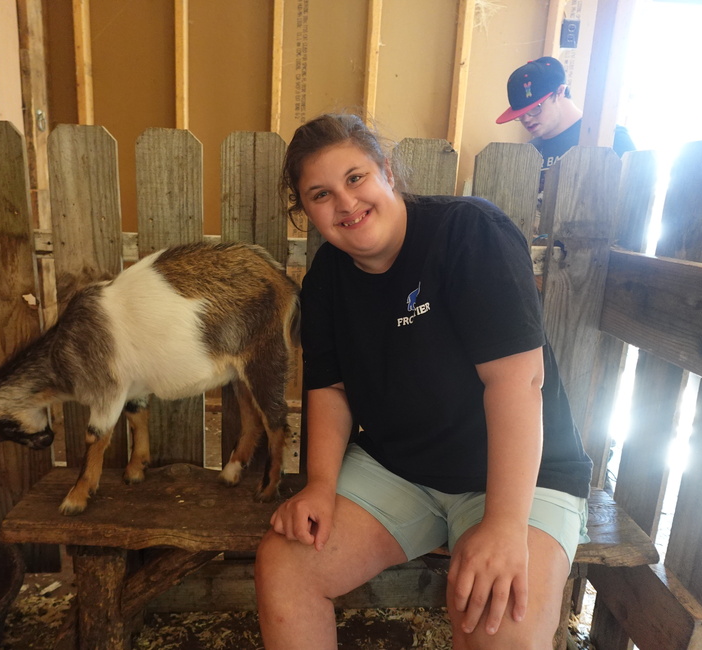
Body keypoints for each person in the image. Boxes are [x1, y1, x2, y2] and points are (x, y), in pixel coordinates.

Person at [254, 113, 593, 650]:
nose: (345, 202)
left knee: (496, 627)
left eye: (356, 177)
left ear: (387, 172)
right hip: (400, 470)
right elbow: (330, 388)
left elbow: (517, 383)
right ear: (306, 211)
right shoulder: (325, 282)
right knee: (285, 564)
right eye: (321, 194)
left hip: (514, 480)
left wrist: (505, 527)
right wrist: (320, 484)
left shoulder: (468, 233)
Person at [496, 56, 635, 178]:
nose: (526, 119)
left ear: (560, 91)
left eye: (535, 107)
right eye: (519, 114)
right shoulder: (528, 152)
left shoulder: (613, 139)